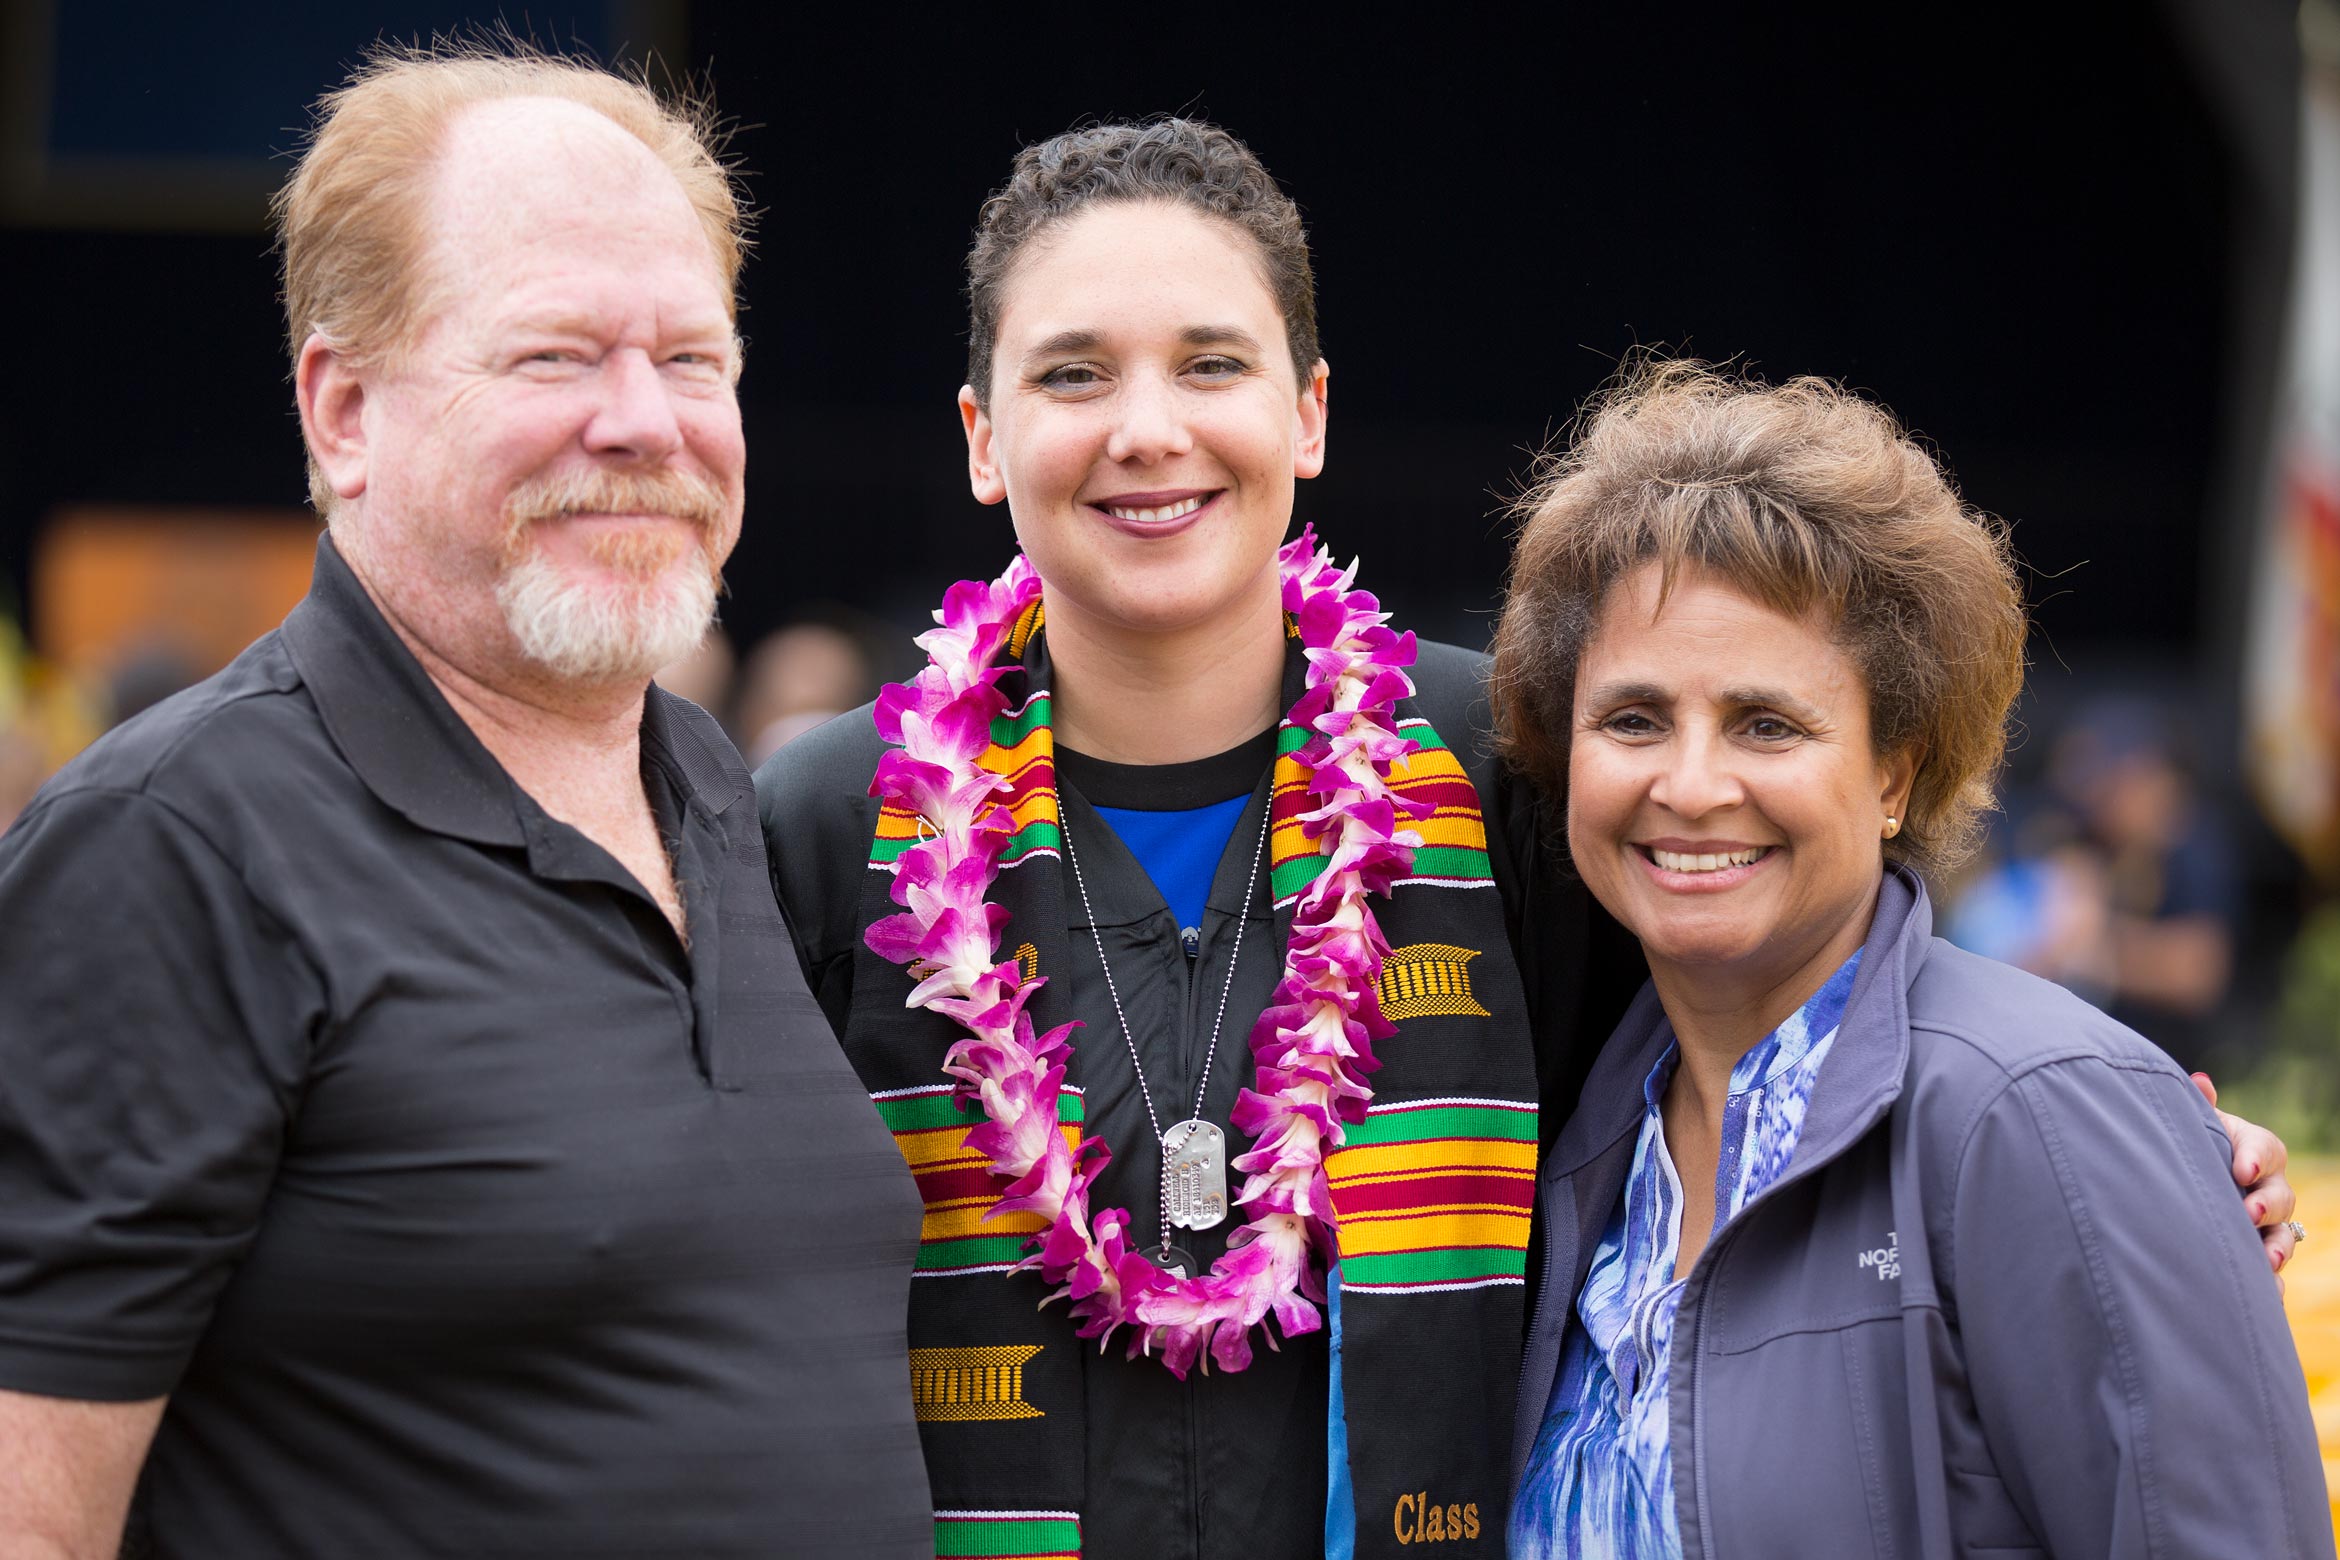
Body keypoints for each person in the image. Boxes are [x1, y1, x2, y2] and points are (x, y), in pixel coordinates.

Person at [755, 121, 2300, 1560]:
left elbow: (1770, 1039)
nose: (1146, 429)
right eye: (1073, 375)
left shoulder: (1496, 773)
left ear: (1307, 415)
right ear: (981, 433)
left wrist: (2106, 1145)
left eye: (1211, 363)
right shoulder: (836, 825)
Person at [0, 46, 932, 1558]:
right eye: (555, 355)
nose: (645, 422)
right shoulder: (172, 846)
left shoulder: (716, 795)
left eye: (692, 359)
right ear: (343, 410)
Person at [1492, 362, 2328, 1557]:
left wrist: (2113, 1132)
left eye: (1765, 722)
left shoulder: (2037, 1116)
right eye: (1632, 719)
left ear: (1894, 771)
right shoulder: (1581, 1135)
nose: (1688, 784)